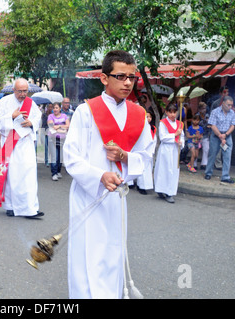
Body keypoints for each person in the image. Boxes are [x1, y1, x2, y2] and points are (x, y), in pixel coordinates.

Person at [63, 50, 154, 299]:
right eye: (120, 76)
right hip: (88, 194)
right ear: (104, 78)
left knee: (112, 251)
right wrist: (99, 175)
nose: (127, 82)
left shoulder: (138, 115)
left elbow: (146, 155)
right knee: (87, 252)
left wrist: (125, 157)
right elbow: (71, 157)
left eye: (132, 77)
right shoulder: (86, 111)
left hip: (116, 198)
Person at [0, 78, 43, 218]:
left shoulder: (30, 103)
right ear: (13, 90)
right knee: (12, 175)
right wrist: (11, 117)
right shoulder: (4, 102)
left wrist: (31, 122)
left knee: (29, 175)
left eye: (25, 91)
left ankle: (30, 207)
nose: (22, 94)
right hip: (10, 142)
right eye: (19, 91)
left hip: (25, 143)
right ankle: (11, 206)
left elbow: (37, 118)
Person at [154, 104, 185, 203]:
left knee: (173, 171)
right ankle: (161, 189)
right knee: (164, 170)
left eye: (174, 112)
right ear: (166, 112)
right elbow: (162, 137)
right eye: (170, 112)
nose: (172, 114)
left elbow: (182, 137)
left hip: (175, 149)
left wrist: (181, 142)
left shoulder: (180, 124)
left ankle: (170, 192)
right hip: (166, 150)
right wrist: (174, 135)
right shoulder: (163, 123)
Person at [204, 96, 235, 183]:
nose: (230, 107)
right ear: (223, 103)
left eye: (231, 105)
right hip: (216, 136)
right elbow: (212, 125)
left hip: (227, 136)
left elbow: (233, 125)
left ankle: (225, 176)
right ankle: (208, 173)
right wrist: (220, 135)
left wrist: (225, 135)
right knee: (212, 154)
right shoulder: (215, 112)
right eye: (228, 105)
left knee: (227, 156)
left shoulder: (232, 113)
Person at [134, 109, 157, 194]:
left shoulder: (153, 128)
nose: (149, 118)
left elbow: (154, 139)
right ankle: (141, 186)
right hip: (142, 150)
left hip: (149, 150)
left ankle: (147, 185)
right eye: (147, 117)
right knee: (142, 168)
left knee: (148, 168)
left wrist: (152, 149)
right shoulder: (141, 127)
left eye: (150, 117)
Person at [47, 102, 70, 181]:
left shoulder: (64, 116)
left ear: (60, 109)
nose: (55, 109)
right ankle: (54, 173)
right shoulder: (50, 116)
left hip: (62, 139)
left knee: (60, 156)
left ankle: (58, 171)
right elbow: (51, 127)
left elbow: (68, 125)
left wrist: (59, 126)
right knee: (54, 156)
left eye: (57, 108)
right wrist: (63, 129)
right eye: (54, 108)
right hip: (52, 139)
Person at [196, 102, 210, 170]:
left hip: (205, 134)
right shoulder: (197, 115)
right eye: (203, 108)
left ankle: (204, 164)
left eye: (205, 108)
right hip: (197, 134)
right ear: (199, 109)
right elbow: (195, 124)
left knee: (206, 149)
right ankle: (194, 163)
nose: (204, 110)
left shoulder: (207, 115)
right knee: (196, 149)